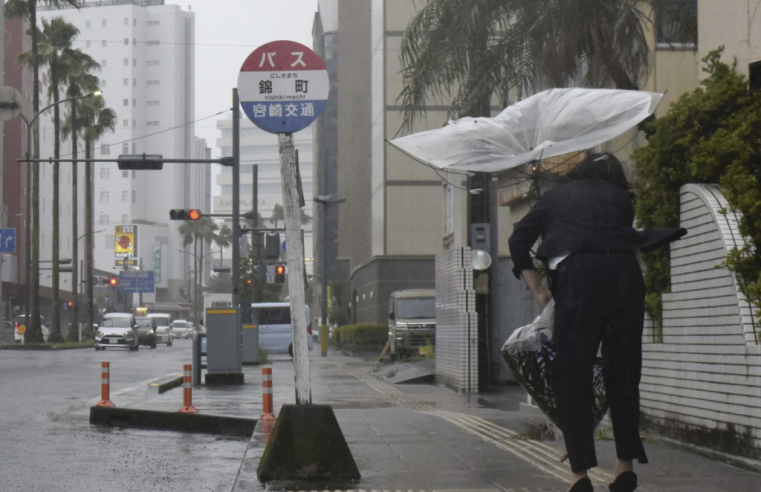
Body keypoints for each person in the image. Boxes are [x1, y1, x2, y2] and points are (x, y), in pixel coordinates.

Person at [508, 153, 685, 492]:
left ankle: (580, 474)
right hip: (625, 278)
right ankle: (624, 467)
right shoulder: (620, 198)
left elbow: (518, 241)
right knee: (624, 370)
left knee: (573, 374)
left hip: (580, 279)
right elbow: (607, 233)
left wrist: (538, 289)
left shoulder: (554, 197)